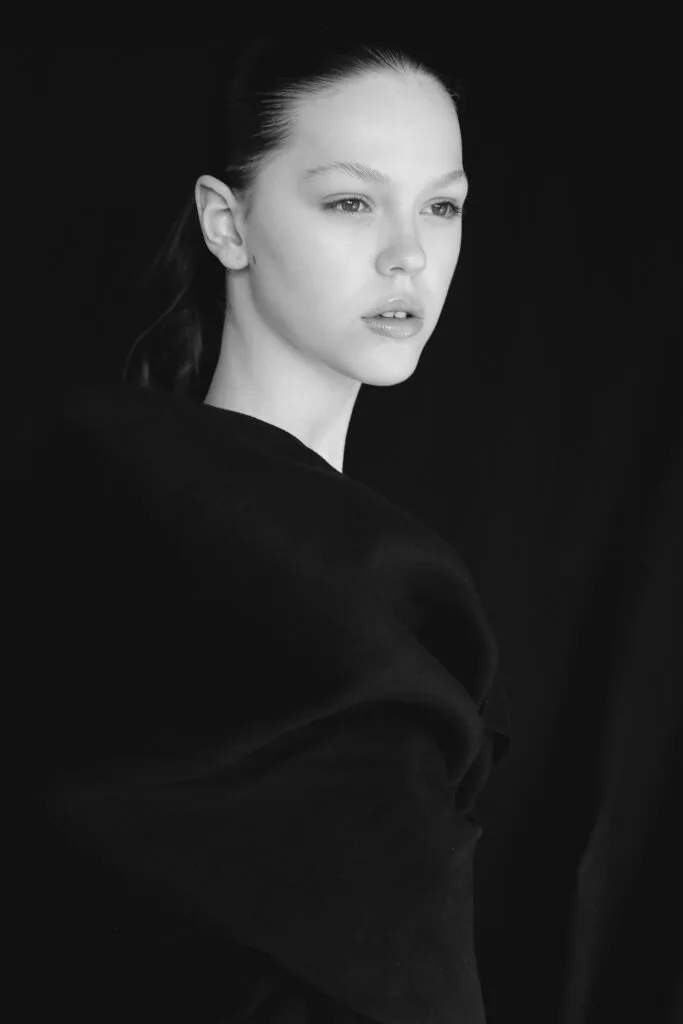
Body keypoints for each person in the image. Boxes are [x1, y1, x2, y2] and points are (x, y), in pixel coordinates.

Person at [27, 37, 511, 1023]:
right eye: (351, 202)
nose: (409, 253)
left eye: (441, 206)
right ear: (227, 222)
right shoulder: (162, 542)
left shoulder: (347, 568)